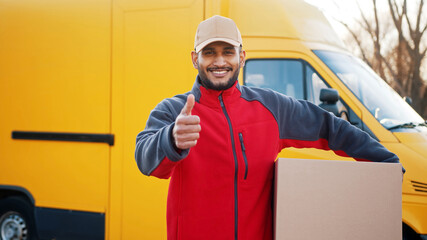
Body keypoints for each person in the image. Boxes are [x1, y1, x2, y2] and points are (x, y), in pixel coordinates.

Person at [135, 15, 403, 240]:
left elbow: (329, 127)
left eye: (228, 52)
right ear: (195, 59)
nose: (219, 62)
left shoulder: (271, 107)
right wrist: (171, 138)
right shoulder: (175, 111)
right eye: (209, 53)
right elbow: (145, 159)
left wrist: (386, 164)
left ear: (242, 56)